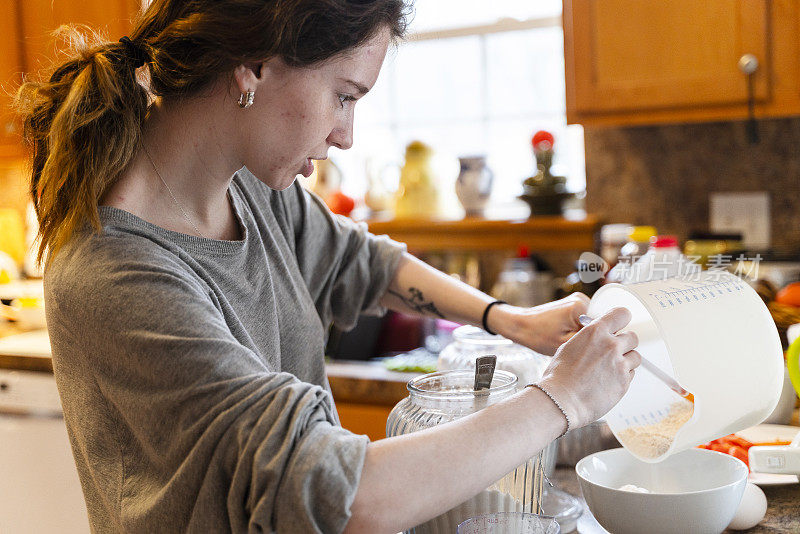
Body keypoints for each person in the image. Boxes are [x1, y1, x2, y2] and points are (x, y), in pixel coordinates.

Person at [16, 1, 641, 532]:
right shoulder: (115, 273)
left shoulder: (251, 191)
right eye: (343, 96)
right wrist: (561, 399)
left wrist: (509, 319)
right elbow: (340, 494)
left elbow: (363, 262)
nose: (346, 134)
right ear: (254, 66)